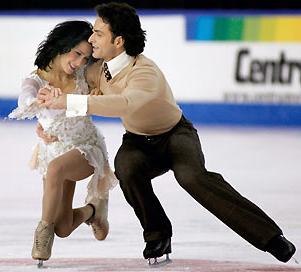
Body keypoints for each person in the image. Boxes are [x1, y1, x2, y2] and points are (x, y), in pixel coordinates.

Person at [37, 2, 296, 265]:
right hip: (138, 141)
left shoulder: (144, 72)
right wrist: (47, 120)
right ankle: (157, 234)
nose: (91, 39)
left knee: (192, 177)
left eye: (99, 33)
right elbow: (65, 78)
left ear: (119, 41)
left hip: (175, 136)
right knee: (126, 167)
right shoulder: (97, 68)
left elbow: (126, 103)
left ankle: (271, 237)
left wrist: (72, 102)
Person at [8, 20, 118, 266]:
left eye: (85, 57)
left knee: (56, 169)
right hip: (54, 151)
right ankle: (94, 211)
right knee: (64, 227)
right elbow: (25, 100)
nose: (79, 62)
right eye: (77, 53)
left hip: (86, 148)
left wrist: (100, 93)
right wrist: (38, 99)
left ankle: (42, 234)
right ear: (61, 45)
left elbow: (109, 84)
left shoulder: (85, 73)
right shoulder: (35, 80)